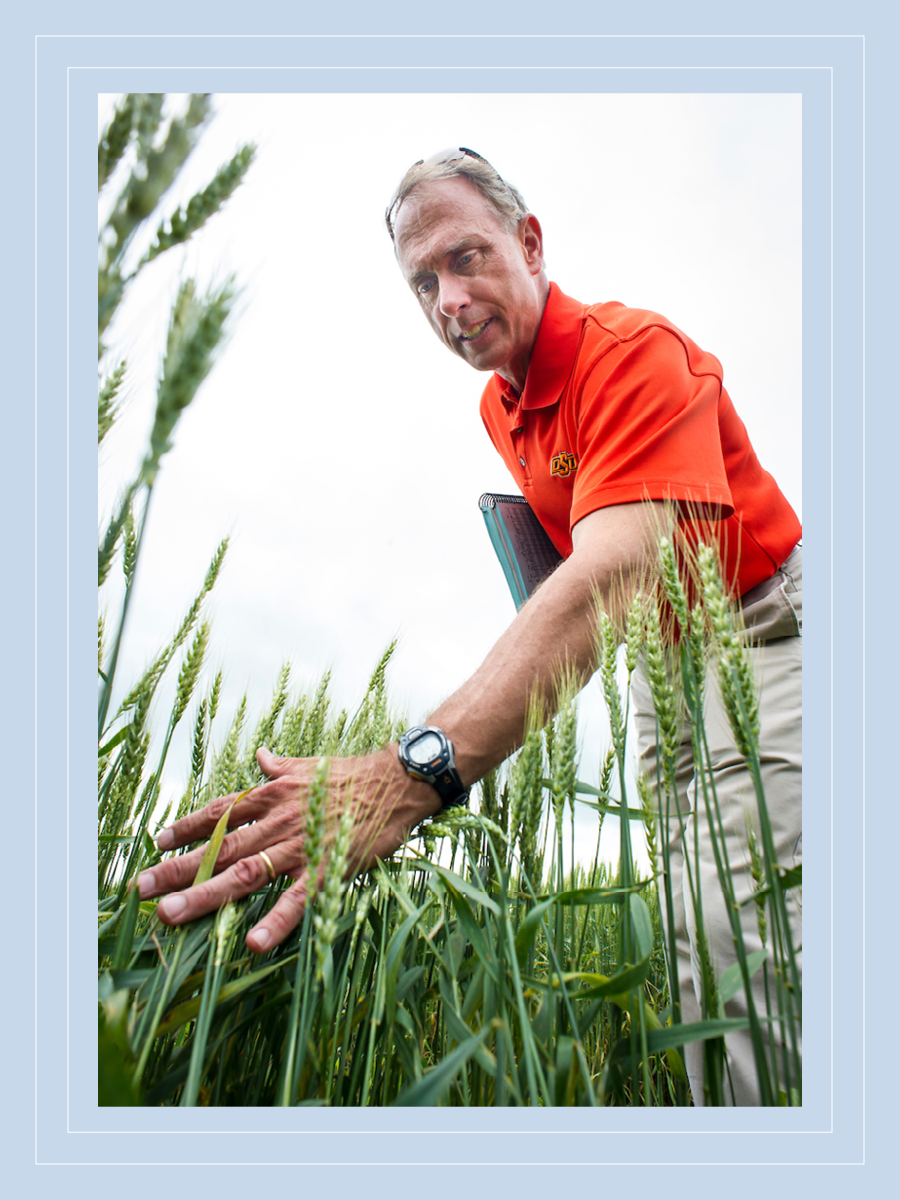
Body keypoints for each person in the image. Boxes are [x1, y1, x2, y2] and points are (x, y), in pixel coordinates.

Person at [135, 147, 801, 1106]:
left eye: (468, 257)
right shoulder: (501, 404)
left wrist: (410, 777)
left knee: (755, 932)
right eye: (423, 283)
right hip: (662, 663)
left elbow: (611, 573)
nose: (449, 298)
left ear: (530, 243)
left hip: (759, 634)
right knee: (695, 933)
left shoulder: (636, 355)